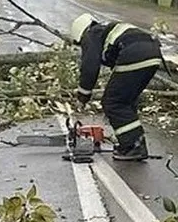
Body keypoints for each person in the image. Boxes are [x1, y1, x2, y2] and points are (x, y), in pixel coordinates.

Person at [69, 13, 163, 161]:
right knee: (126, 101)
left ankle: (133, 146)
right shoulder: (106, 30)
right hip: (153, 53)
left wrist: (83, 96)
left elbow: (90, 68)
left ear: (80, 35)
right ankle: (133, 142)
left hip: (135, 53)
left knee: (112, 102)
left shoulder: (91, 35)